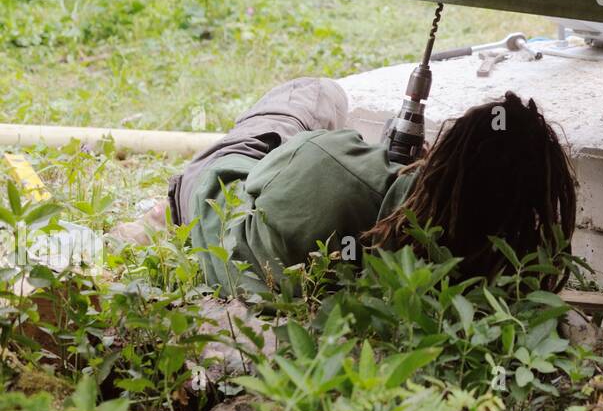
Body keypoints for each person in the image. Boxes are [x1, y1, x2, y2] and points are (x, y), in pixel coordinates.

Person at [120, 78, 577, 295]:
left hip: (211, 208)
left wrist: (365, 160)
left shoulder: (331, 163)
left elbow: (267, 173)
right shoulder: (499, 269)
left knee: (318, 94)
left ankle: (154, 221)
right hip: (275, 261)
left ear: (447, 154)